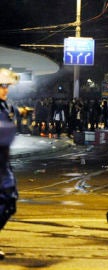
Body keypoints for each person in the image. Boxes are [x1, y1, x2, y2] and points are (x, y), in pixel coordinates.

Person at [0, 68, 20, 259]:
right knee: (6, 201)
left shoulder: (4, 107)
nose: (6, 89)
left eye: (7, 86)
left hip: (3, 163)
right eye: (2, 86)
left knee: (9, 202)